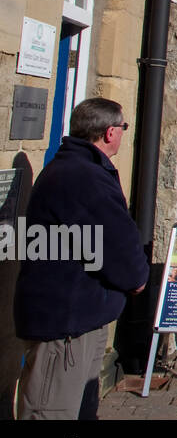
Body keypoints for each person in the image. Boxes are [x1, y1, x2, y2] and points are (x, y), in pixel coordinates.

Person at [15, 98, 149, 419]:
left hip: (78, 319)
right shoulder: (82, 175)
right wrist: (136, 279)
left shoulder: (78, 168)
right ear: (109, 132)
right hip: (65, 325)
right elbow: (115, 242)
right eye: (123, 128)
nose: (122, 134)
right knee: (50, 411)